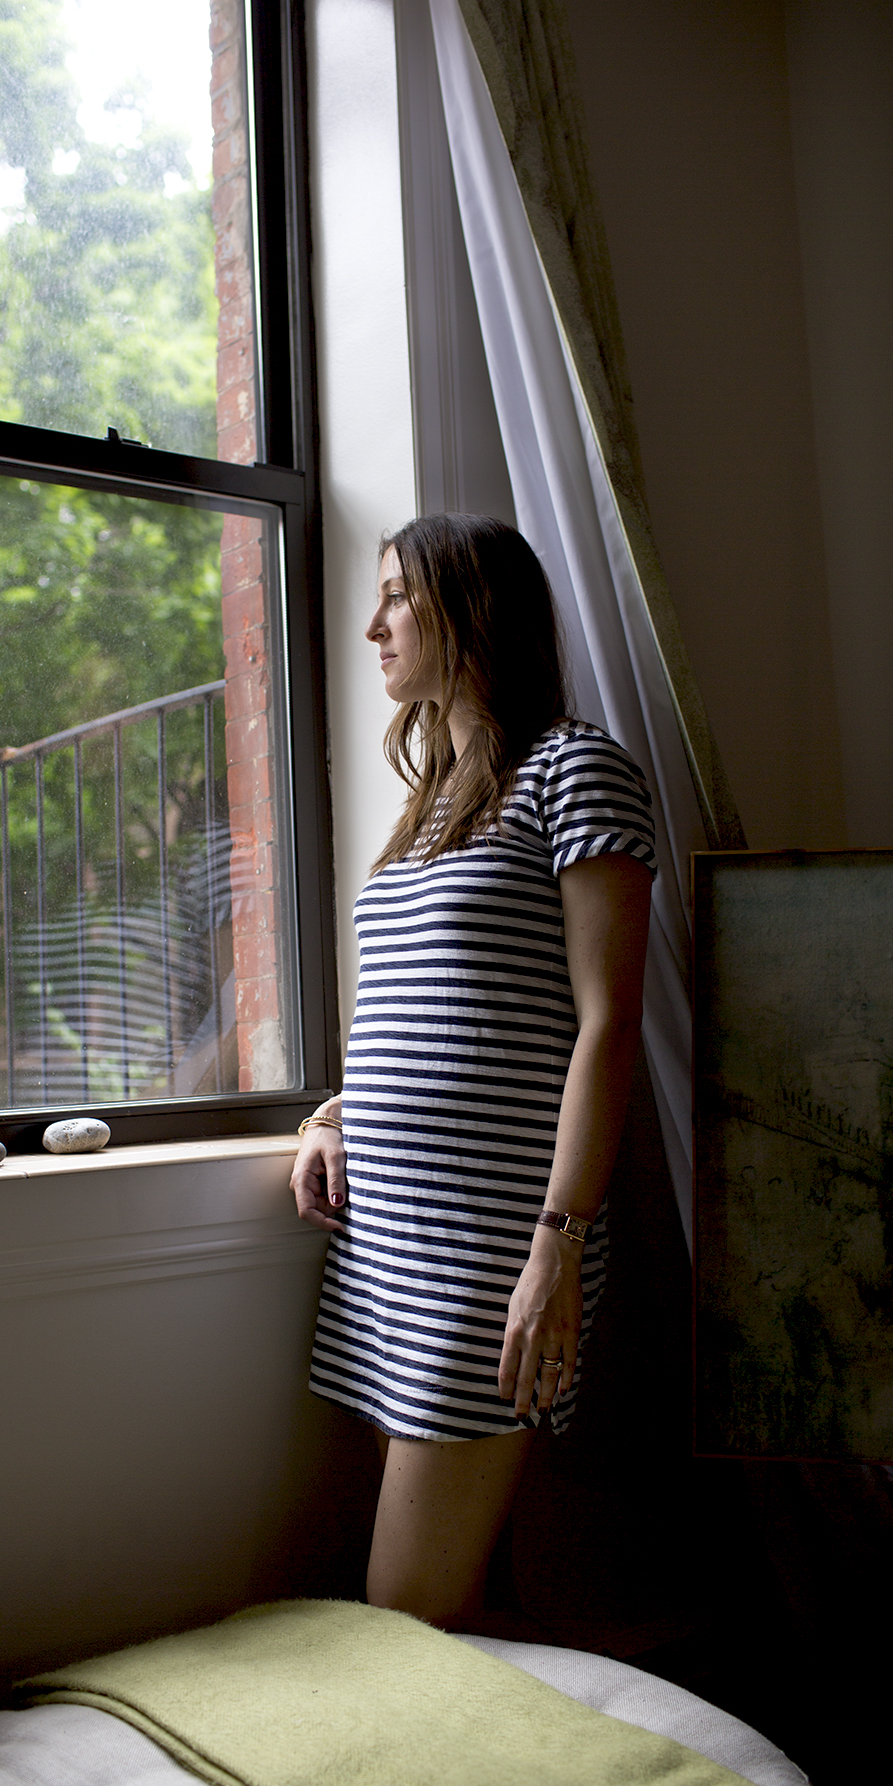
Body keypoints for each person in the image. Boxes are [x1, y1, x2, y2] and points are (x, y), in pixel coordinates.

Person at [290, 513, 655, 1629]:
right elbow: (439, 1013)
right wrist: (331, 1116)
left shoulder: (576, 771)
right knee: (455, 1601)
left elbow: (607, 1025)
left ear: (469, 609)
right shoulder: (430, 806)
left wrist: (558, 1246)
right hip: (387, 1247)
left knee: (405, 1609)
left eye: (396, 596)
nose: (372, 626)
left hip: (493, 1250)